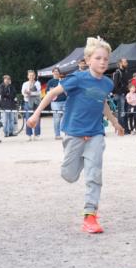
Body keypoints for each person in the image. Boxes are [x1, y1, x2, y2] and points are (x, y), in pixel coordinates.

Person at [27, 37, 125, 234]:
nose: (103, 62)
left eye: (106, 59)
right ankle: (80, 160)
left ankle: (90, 216)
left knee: (94, 174)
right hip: (74, 133)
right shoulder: (77, 79)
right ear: (88, 60)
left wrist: (114, 122)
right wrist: (36, 114)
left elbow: (102, 102)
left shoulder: (107, 83)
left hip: (96, 133)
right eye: (98, 58)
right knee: (69, 175)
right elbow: (51, 94)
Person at [112, 58, 133, 134]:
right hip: (120, 95)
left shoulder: (126, 72)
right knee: (121, 113)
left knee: (125, 112)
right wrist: (121, 92)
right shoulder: (117, 73)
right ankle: (122, 130)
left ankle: (126, 129)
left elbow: (127, 83)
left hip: (126, 94)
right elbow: (115, 85)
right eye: (125, 62)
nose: (127, 63)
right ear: (120, 63)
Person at [47, 67, 68, 140]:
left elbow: (67, 91)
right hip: (55, 103)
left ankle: (67, 133)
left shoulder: (64, 80)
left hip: (65, 101)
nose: (56, 72)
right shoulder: (50, 82)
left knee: (66, 118)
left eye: (57, 71)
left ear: (59, 73)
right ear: (52, 72)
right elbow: (48, 93)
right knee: (57, 119)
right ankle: (57, 134)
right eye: (55, 71)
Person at [21, 69, 43, 140]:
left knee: (37, 118)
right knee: (28, 118)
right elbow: (23, 93)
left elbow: (39, 93)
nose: (31, 76)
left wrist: (30, 93)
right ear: (28, 76)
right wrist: (28, 93)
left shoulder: (37, 83)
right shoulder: (25, 84)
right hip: (27, 102)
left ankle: (37, 135)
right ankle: (29, 135)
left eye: (33, 75)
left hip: (36, 103)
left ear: (35, 76)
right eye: (30, 75)